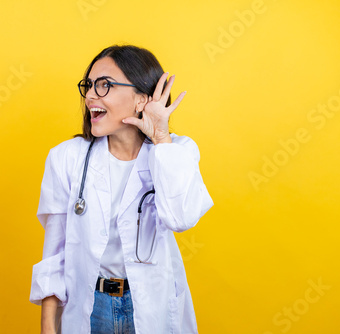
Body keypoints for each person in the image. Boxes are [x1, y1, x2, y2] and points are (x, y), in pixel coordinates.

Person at [30, 45, 213, 334]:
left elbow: (180, 218)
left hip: (152, 303)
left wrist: (161, 137)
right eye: (89, 85)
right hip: (91, 307)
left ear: (142, 98)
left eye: (105, 85)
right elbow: (55, 254)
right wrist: (48, 329)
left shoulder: (176, 151)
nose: (90, 95)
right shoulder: (66, 157)